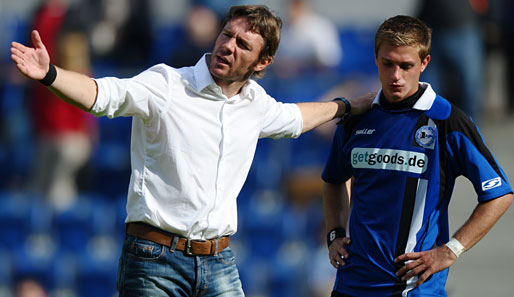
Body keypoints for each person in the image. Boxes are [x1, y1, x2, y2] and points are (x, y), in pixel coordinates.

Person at [10, 5, 373, 297]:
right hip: (154, 261)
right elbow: (103, 95)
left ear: (262, 63)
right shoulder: (167, 83)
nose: (228, 45)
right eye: (227, 35)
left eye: (242, 45)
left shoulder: (255, 103)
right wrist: (50, 74)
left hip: (219, 261)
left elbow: (293, 117)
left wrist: (347, 106)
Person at [321, 15, 512, 297]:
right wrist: (335, 235)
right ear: (375, 58)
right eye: (388, 64)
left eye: (406, 66)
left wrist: (451, 250)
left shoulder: (447, 120)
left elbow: (499, 195)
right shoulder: (356, 119)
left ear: (424, 63)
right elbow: (335, 179)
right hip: (352, 284)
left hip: (414, 289)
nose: (396, 75)